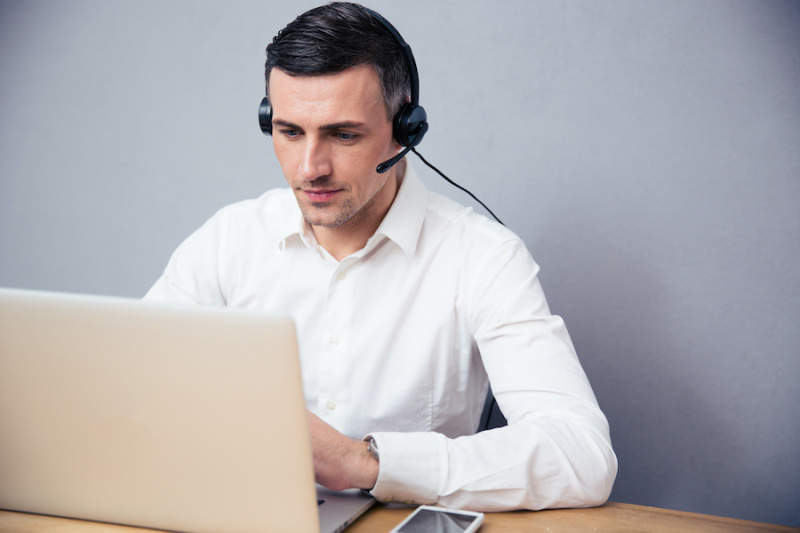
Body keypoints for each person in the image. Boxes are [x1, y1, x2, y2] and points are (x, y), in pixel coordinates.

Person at [144, 2, 617, 512]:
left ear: (405, 127)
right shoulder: (227, 239)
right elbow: (131, 391)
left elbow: (582, 456)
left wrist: (362, 461)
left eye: (343, 134)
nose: (309, 168)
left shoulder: (484, 258)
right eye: (289, 131)